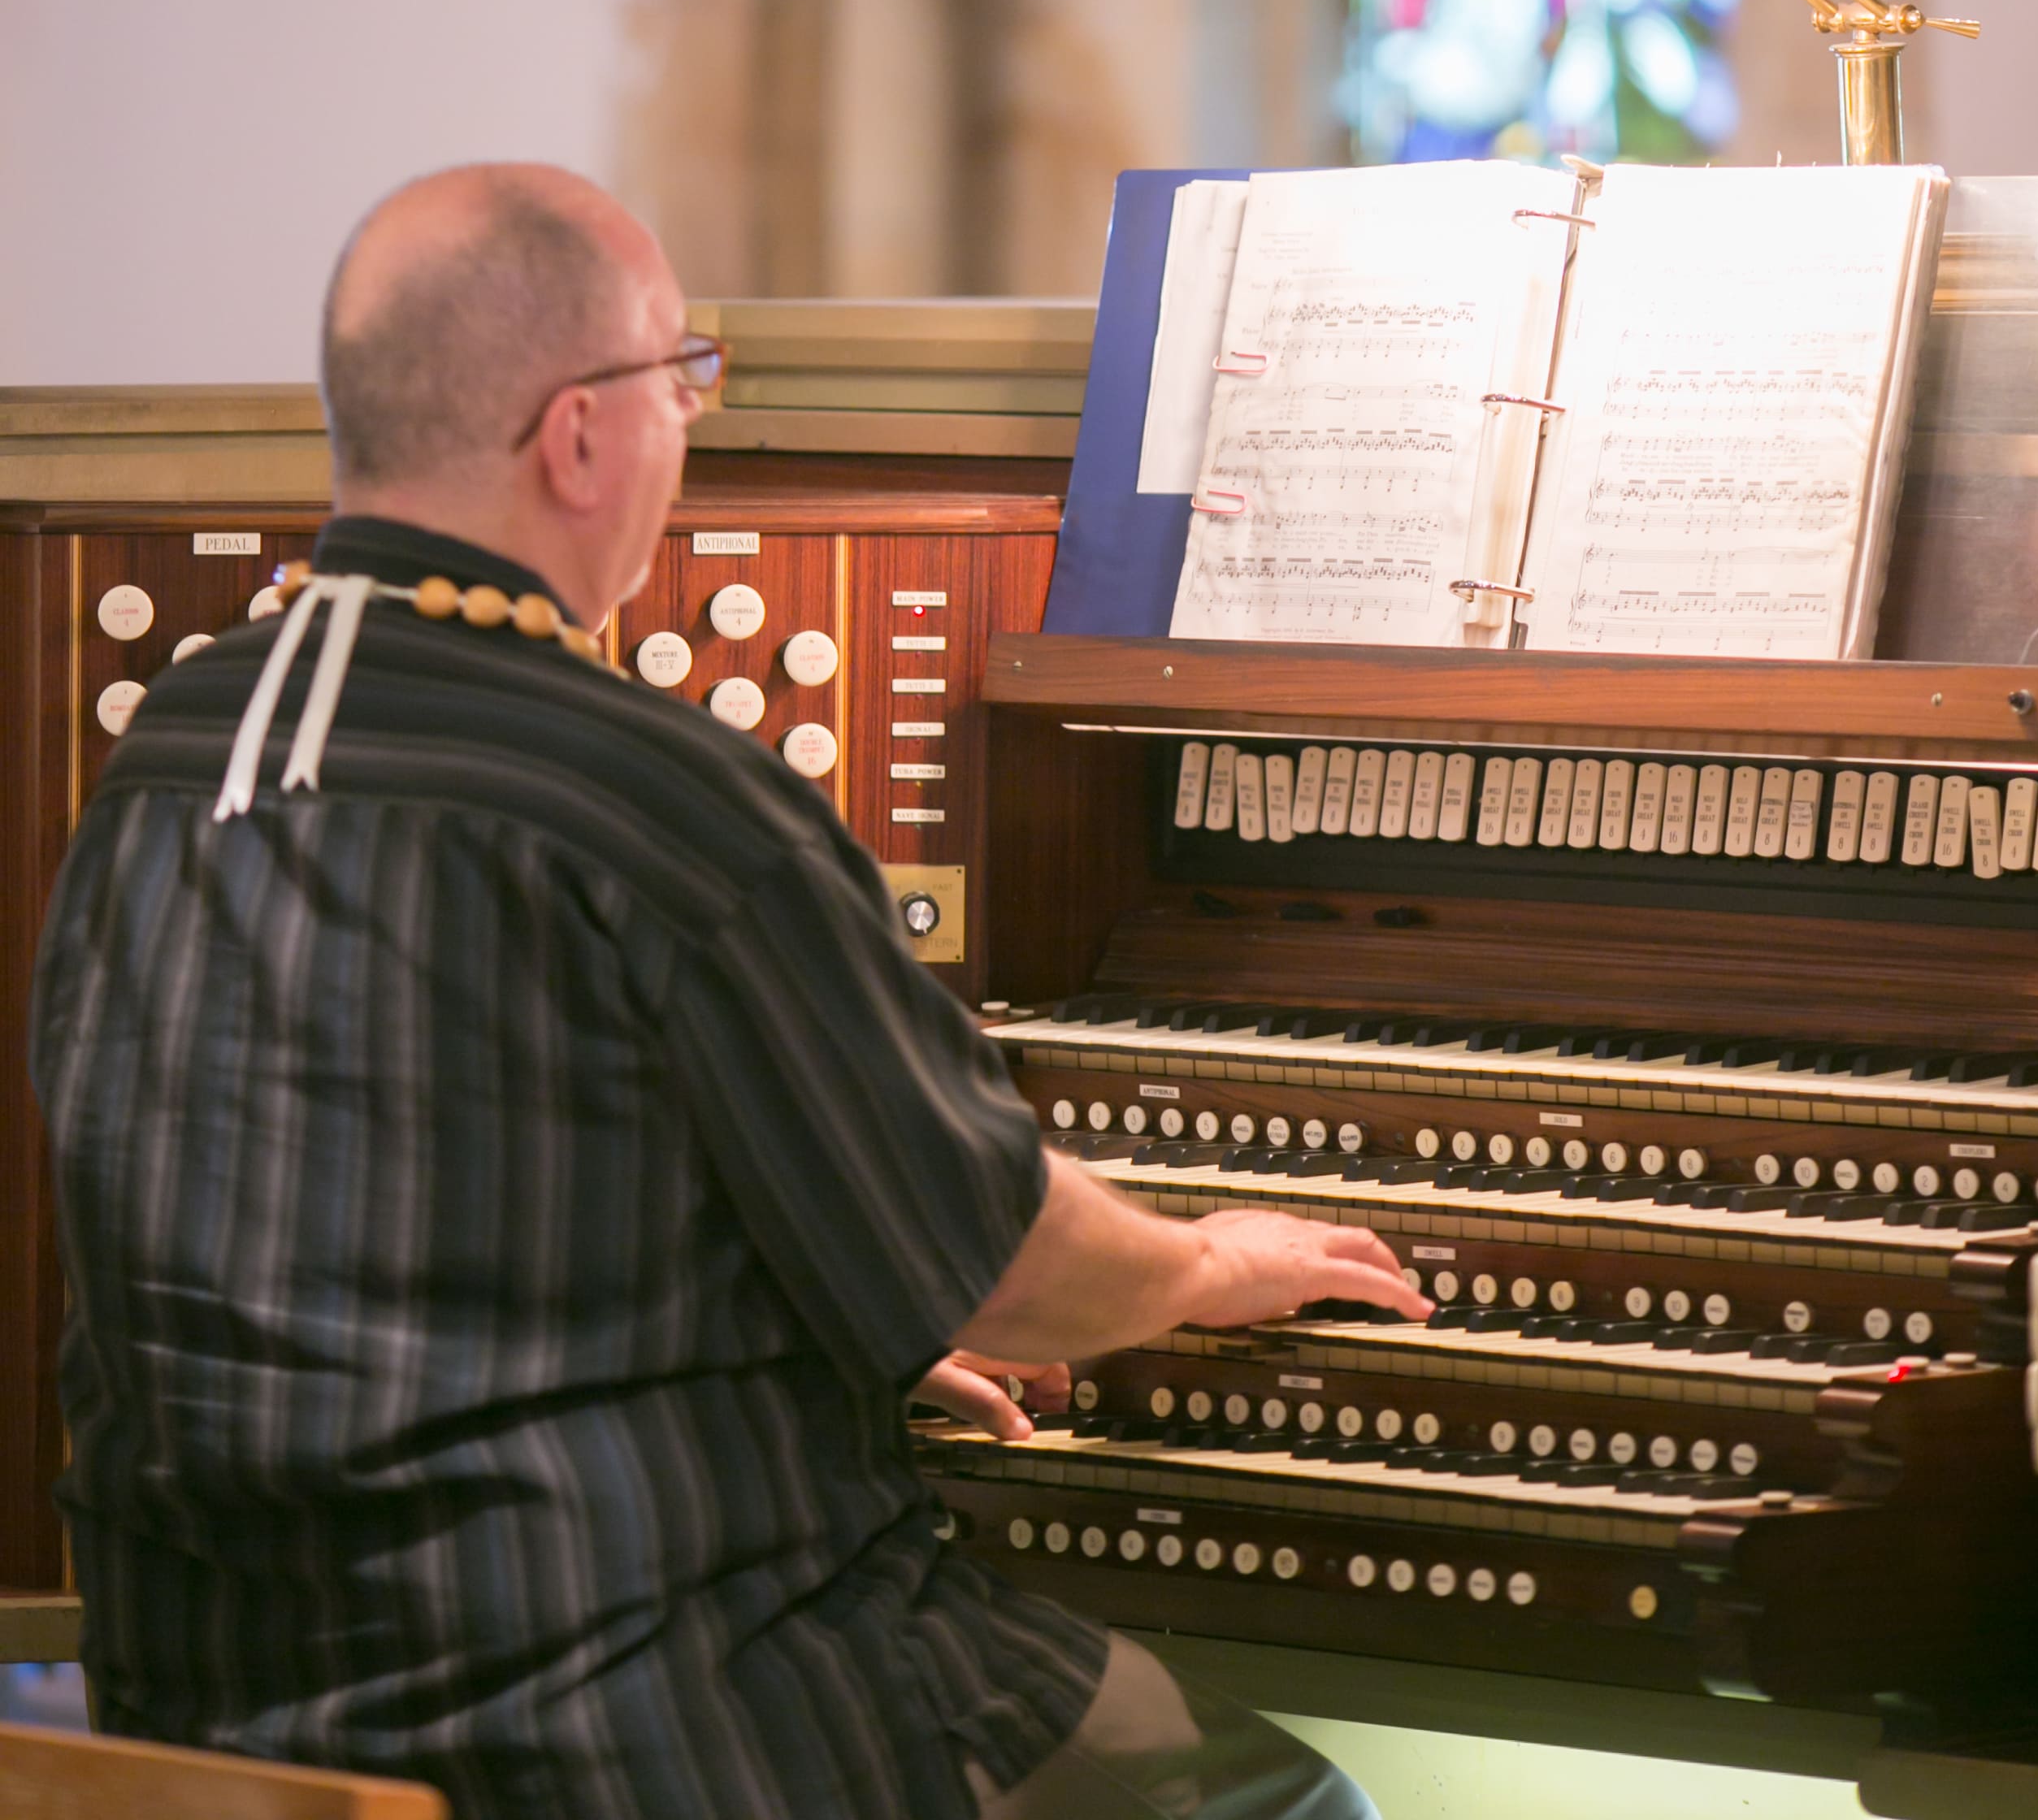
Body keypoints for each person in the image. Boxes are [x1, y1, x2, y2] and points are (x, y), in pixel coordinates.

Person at [32, 164, 1426, 1820]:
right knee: (1284, 1801)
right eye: (681, 378)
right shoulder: (659, 797)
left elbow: (370, 1219)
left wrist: (796, 1332)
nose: (689, 423)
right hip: (617, 1728)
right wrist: (1205, 1262)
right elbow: (1005, 1265)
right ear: (578, 435)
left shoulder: (174, 752)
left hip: (212, 1706)